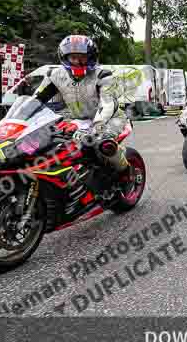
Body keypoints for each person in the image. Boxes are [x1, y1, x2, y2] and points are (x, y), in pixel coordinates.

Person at [32, 35, 130, 213]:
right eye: (73, 57)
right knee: (52, 145)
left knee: (102, 143)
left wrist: (97, 127)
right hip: (77, 119)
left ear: (91, 57)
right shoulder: (55, 75)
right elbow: (36, 100)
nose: (78, 61)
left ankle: (125, 172)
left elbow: (108, 103)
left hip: (111, 118)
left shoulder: (102, 75)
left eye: (83, 57)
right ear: (65, 57)